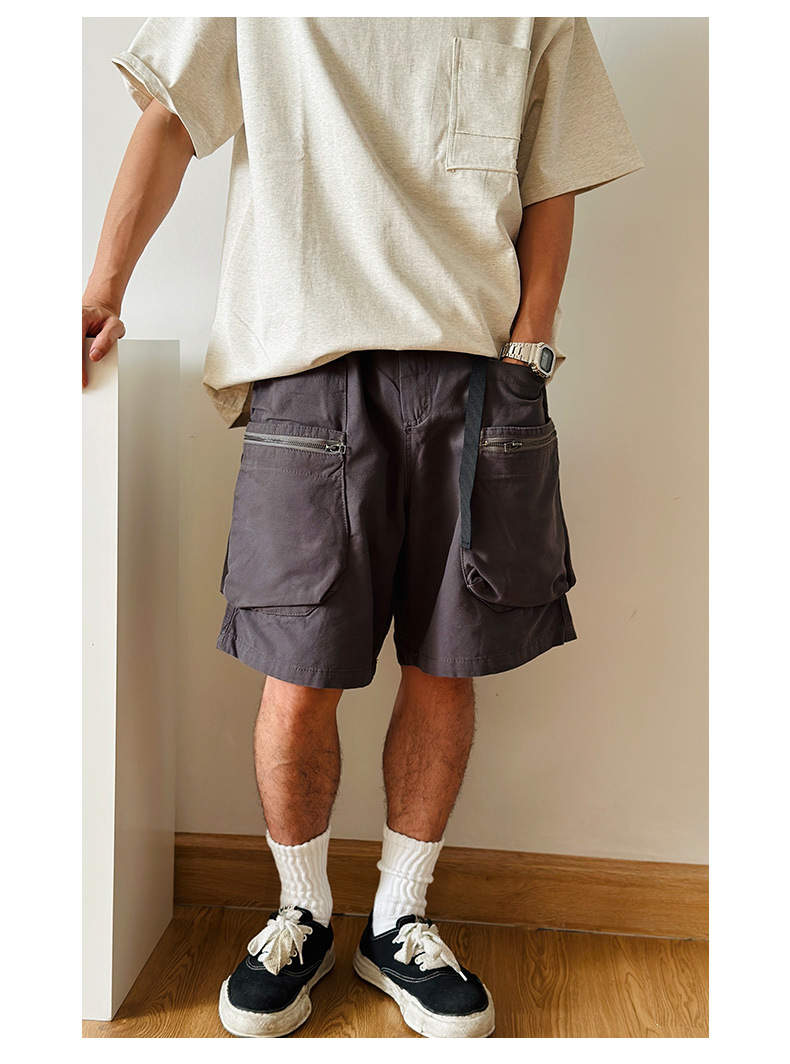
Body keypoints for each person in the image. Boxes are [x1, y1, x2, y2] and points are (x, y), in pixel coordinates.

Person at [83, 17, 644, 1039]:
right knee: (299, 671)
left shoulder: (540, 11)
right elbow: (170, 117)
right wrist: (101, 289)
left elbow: (552, 173)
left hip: (477, 372)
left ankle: (399, 917)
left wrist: (532, 344)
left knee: (446, 663)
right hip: (307, 368)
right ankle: (300, 911)